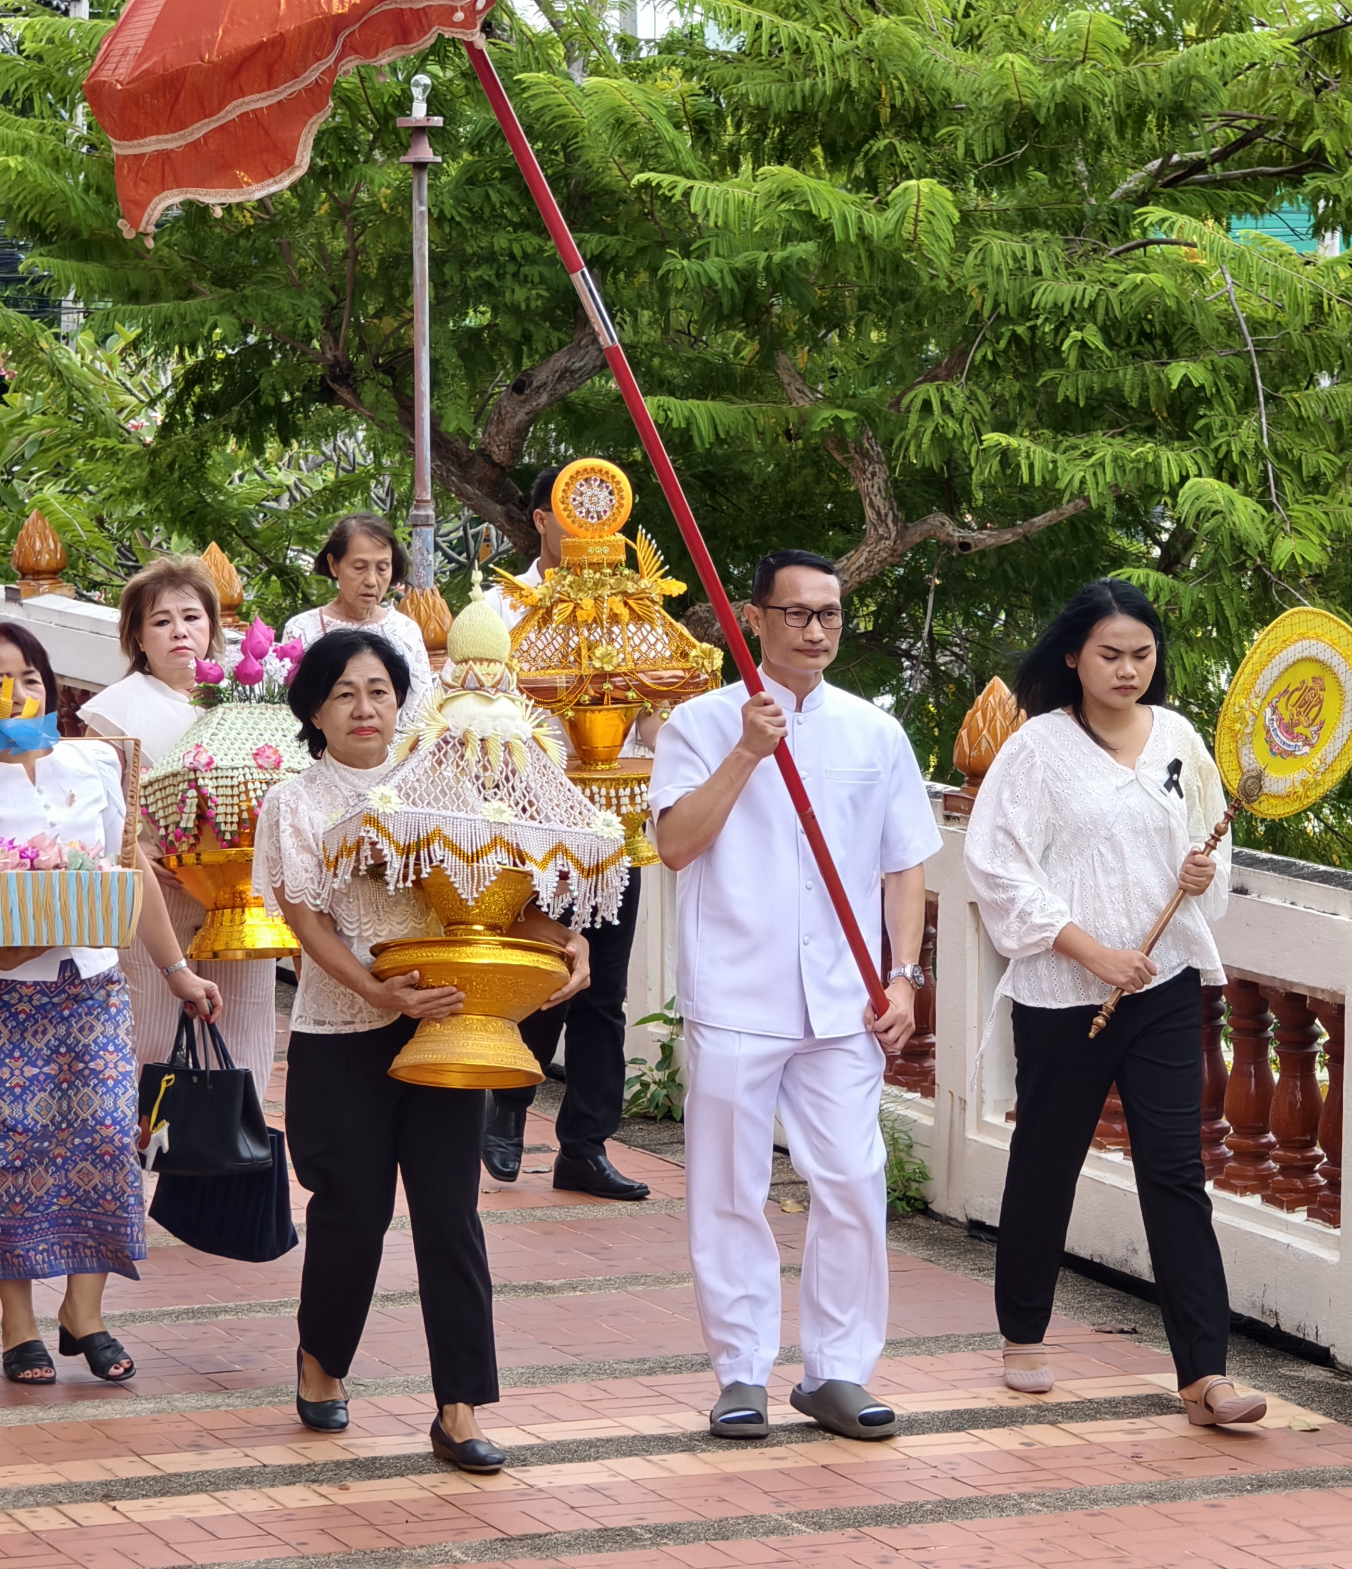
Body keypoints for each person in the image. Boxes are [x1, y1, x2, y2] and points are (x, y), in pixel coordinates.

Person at [255, 629, 588, 1471]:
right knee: (351, 1214)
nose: (364, 708)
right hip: (340, 1033)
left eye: (378, 690)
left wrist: (563, 943)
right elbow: (306, 921)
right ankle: (322, 1360)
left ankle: (460, 1407)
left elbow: (510, 891)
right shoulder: (295, 803)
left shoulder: (453, 785)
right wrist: (372, 989)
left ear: (402, 701)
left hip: (448, 1022)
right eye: (342, 694)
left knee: (450, 1216)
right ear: (313, 711)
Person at [963, 578, 1267, 1427]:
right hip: (1066, 991)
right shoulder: (1034, 751)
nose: (1128, 668)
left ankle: (1203, 1376)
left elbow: (1211, 842)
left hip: (1164, 983)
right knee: (1047, 1158)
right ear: (1072, 657)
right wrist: (1089, 950)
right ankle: (1022, 1333)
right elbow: (996, 868)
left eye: (1141, 653)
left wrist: (1202, 876)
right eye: (1109, 654)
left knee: (1175, 1171)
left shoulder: (1178, 739)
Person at [650, 549, 939, 1442]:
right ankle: (739, 1373)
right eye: (799, 614)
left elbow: (902, 865)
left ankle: (838, 1372)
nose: (817, 630)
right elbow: (674, 844)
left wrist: (903, 975)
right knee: (729, 1189)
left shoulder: (874, 732)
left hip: (842, 1002)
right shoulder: (699, 724)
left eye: (831, 615)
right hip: (736, 989)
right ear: (757, 619)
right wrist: (747, 750)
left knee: (853, 1180)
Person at [0, 620, 224, 1387]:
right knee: (7, 1150)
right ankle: (16, 1324)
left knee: (103, 1138)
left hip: (92, 989)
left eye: (29, 677)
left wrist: (175, 971)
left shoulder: (93, 760)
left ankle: (85, 1312)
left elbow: (127, 868)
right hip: (1, 996)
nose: (17, 692)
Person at [483, 464, 659, 1199]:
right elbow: (474, 714)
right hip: (528, 825)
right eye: (575, 513)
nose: (592, 531)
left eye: (604, 516)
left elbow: (659, 706)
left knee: (604, 998)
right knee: (534, 976)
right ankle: (504, 1115)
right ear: (542, 520)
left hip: (614, 827)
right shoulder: (499, 610)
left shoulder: (636, 608)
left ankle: (584, 1145)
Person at [79, 558, 277, 1079]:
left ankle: (239, 1152)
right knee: (151, 1034)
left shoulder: (248, 700)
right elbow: (88, 806)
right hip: (157, 894)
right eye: (161, 621)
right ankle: (143, 1153)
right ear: (138, 638)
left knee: (246, 1030)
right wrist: (135, 848)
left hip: (240, 893)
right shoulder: (114, 711)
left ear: (212, 627)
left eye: (191, 617)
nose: (179, 632)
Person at [281, 515, 434, 726]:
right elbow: (291, 714)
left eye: (382, 568)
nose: (371, 581)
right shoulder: (302, 630)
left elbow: (422, 713)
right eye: (359, 567)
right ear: (334, 565)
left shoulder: (405, 630)